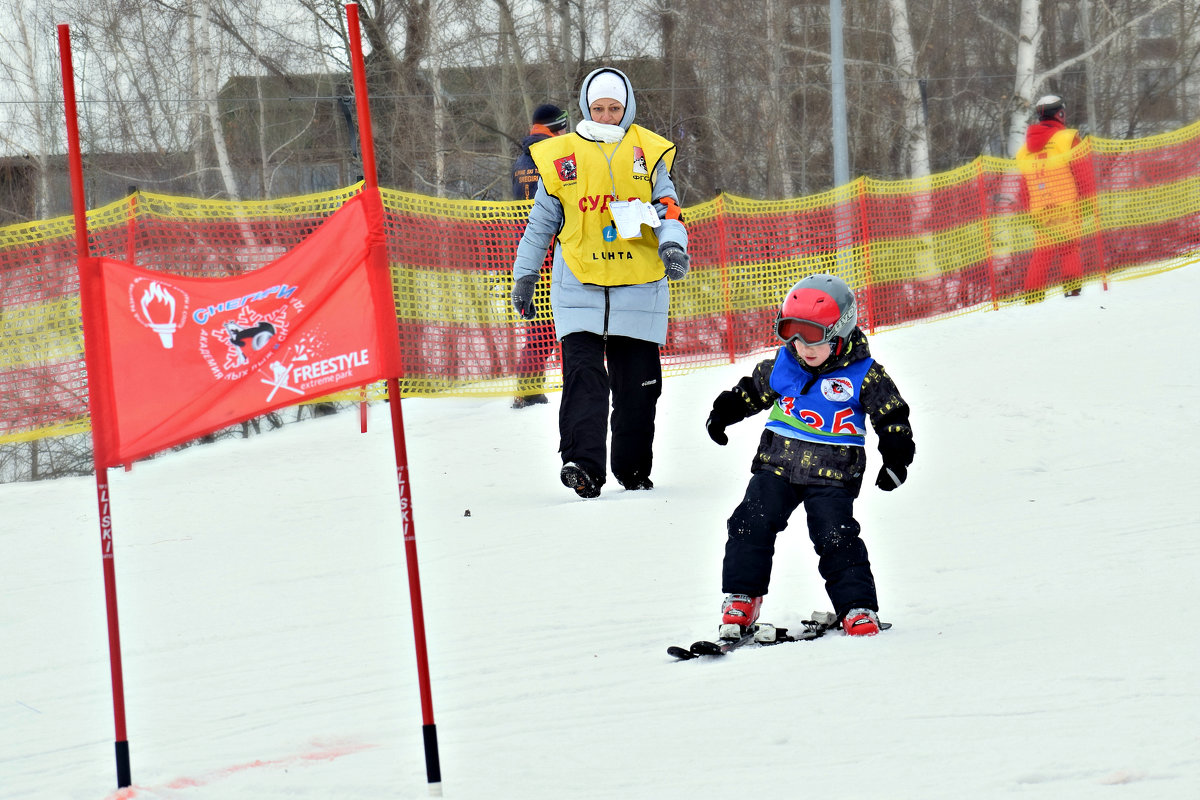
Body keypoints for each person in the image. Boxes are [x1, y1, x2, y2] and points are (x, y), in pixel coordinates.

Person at [510, 66, 690, 498]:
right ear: (585, 109)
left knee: (637, 391)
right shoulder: (560, 156)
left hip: (640, 286)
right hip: (578, 288)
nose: (607, 116)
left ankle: (632, 470)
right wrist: (525, 274)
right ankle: (582, 466)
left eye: (614, 108)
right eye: (598, 108)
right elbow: (540, 225)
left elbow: (669, 209)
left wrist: (673, 247)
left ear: (626, 108)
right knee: (583, 383)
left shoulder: (649, 152)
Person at [704, 274, 915, 638]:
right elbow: (750, 393)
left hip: (832, 473)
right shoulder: (783, 365)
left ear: (840, 331)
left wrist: (896, 458)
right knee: (749, 522)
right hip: (777, 466)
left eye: (813, 335)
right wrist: (724, 412)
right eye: (791, 332)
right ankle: (742, 596)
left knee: (835, 535)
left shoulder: (864, 374)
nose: (802, 345)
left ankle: (857, 607)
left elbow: (891, 415)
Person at [510, 103, 569, 410]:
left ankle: (528, 387)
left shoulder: (522, 160)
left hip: (529, 251)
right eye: (563, 128)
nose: (567, 133)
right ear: (553, 130)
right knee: (548, 326)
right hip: (550, 253)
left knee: (541, 324)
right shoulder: (553, 158)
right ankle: (528, 389)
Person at [1016, 94, 1091, 301]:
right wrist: (1088, 203)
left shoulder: (1024, 151)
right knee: (1069, 247)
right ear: (1060, 113)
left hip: (1039, 209)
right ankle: (1073, 293)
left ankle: (1033, 297)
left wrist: (1026, 210)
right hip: (1067, 205)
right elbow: (1083, 174)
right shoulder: (1068, 139)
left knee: (1042, 252)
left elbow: (1023, 187)